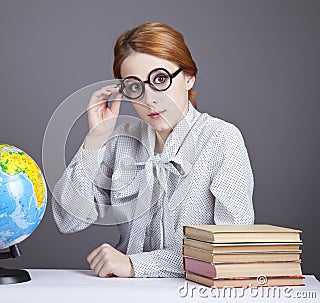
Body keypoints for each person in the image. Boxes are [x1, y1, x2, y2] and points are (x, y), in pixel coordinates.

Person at [52, 22, 255, 278]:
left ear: (189, 76)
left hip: (195, 291)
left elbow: (232, 248)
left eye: (160, 79)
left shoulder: (220, 138)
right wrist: (96, 139)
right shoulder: (121, 142)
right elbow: (68, 220)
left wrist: (136, 265)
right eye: (135, 86)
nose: (149, 99)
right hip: (124, 291)